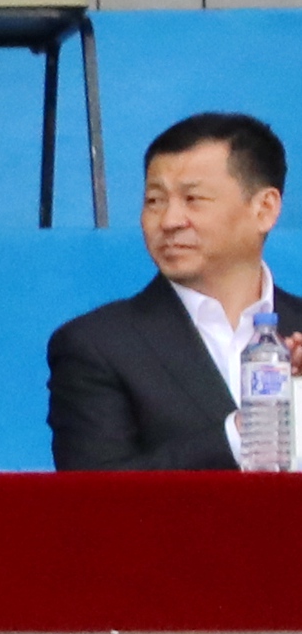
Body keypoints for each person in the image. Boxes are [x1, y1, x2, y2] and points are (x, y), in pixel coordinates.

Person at [46, 113, 294, 472]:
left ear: (264, 209)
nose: (169, 221)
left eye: (193, 199)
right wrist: (242, 434)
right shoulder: (96, 346)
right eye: (154, 201)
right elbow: (96, 493)